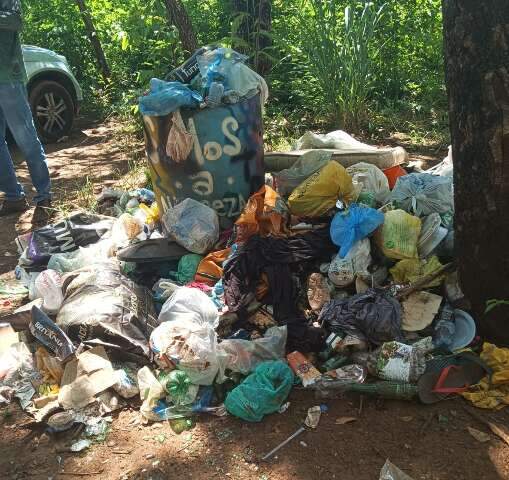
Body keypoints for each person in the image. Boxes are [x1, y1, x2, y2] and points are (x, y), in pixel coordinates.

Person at [0, 0, 52, 216]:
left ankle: (44, 198)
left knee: (26, 138)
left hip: (8, 77)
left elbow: (15, 20)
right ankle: (14, 197)